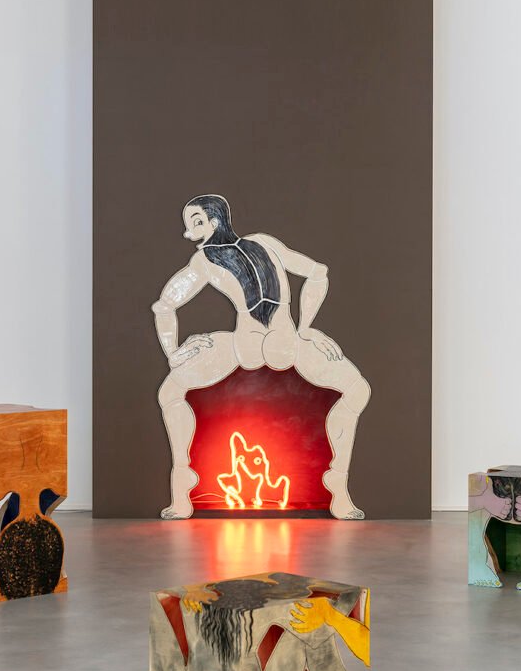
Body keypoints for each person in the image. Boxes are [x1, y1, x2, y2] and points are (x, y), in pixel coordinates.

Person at [152, 194, 371, 519]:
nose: (188, 233)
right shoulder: (257, 245)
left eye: (195, 223)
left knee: (169, 392)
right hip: (280, 341)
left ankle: (337, 482)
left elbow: (164, 305)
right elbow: (318, 273)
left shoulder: (207, 262)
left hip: (254, 344)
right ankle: (336, 482)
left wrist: (173, 353)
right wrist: (305, 327)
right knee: (358, 390)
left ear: (214, 221)